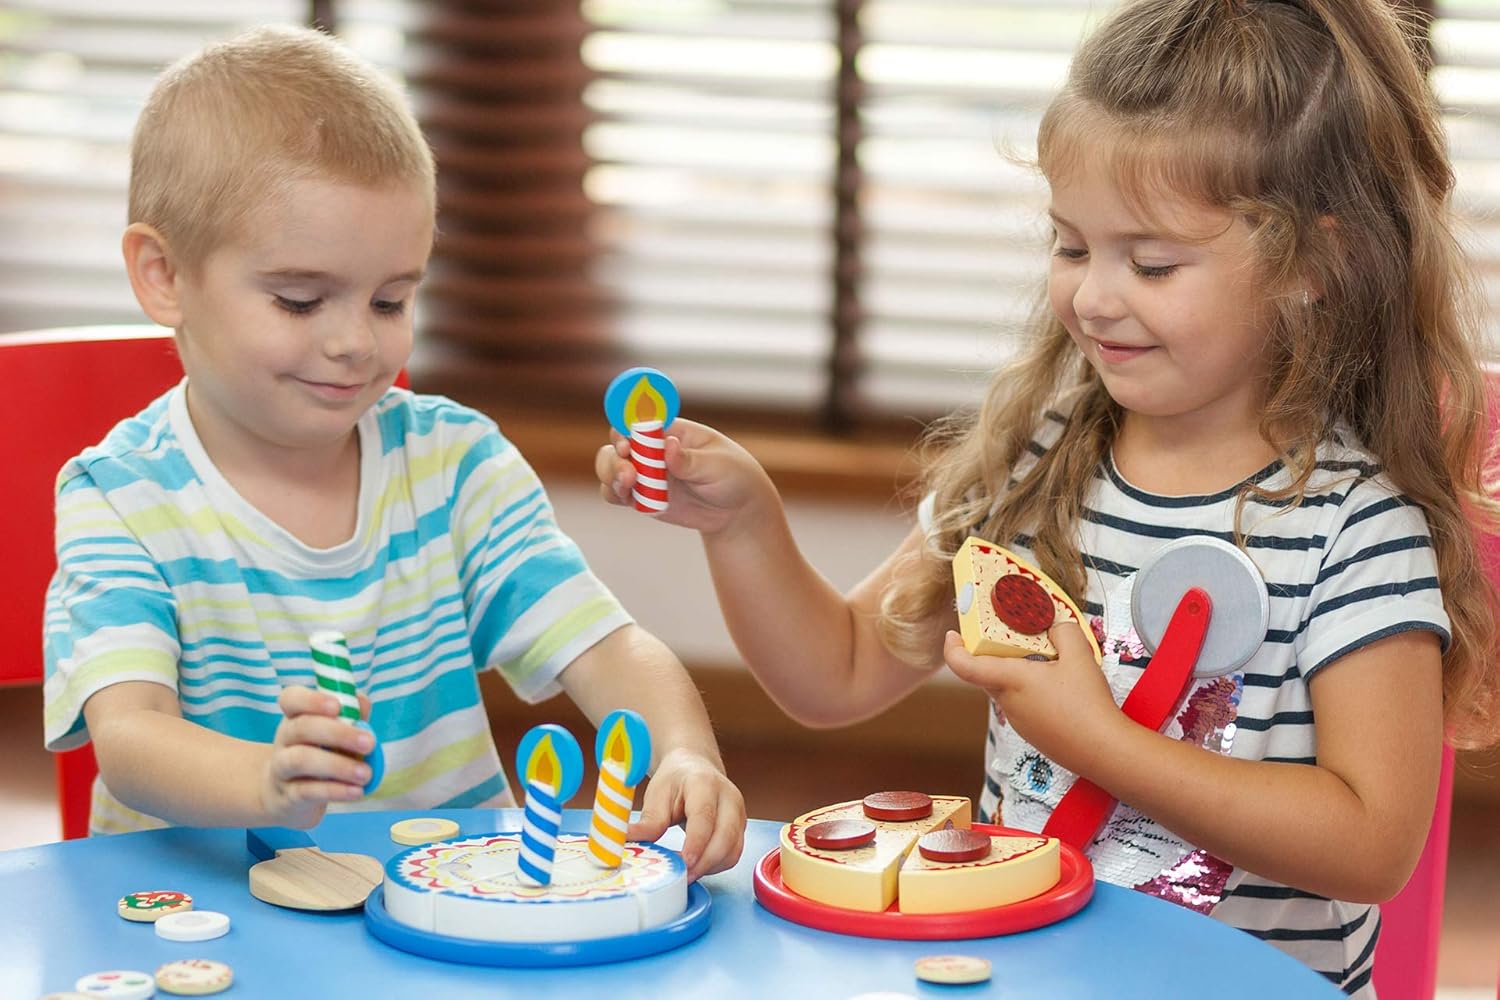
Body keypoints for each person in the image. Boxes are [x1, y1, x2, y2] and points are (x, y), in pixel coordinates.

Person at [597, 0, 1500, 987]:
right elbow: (840, 672)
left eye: (1150, 262)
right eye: (1072, 247)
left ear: (1311, 265)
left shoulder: (1354, 531)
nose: (1094, 296)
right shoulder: (1041, 461)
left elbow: (1372, 848)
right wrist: (745, 524)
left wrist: (1097, 739)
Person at [43, 25, 744, 881]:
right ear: (163, 276)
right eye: (301, 301)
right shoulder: (117, 496)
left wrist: (684, 754)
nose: (354, 344)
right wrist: (263, 782)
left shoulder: (454, 465)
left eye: (389, 299)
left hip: (440, 915)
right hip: (195, 918)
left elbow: (604, 648)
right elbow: (131, 737)